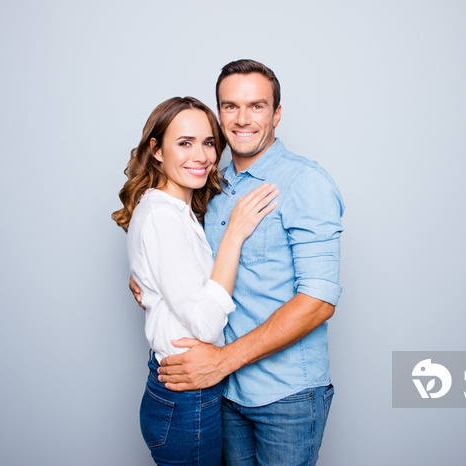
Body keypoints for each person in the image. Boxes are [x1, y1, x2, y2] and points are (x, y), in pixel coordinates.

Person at [131, 60, 345, 465]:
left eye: (257, 106)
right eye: (230, 107)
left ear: (277, 114)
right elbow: (189, 260)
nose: (242, 119)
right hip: (223, 393)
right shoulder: (210, 184)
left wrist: (222, 361)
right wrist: (148, 273)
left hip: (286, 396)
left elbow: (318, 300)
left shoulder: (305, 183)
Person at [112, 96, 278, 466]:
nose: (201, 156)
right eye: (184, 143)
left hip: (188, 393)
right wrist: (234, 234)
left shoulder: (177, 210)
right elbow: (205, 324)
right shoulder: (162, 217)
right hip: (185, 398)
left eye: (207, 143)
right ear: (156, 150)